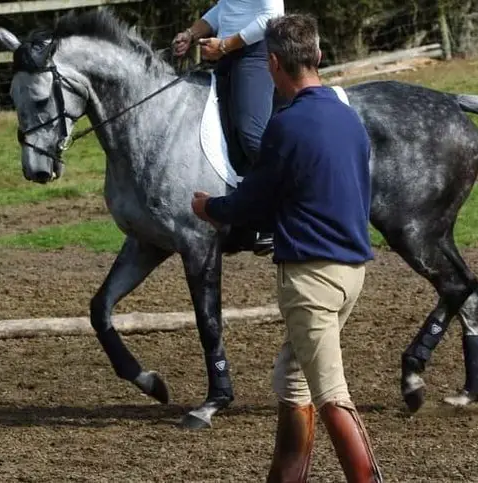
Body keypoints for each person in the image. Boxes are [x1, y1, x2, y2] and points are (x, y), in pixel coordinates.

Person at [191, 13, 383, 483]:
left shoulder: (286, 126)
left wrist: (210, 207)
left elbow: (253, 203)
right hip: (352, 272)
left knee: (332, 394)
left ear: (273, 63)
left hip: (311, 279)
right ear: (317, 56)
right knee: (293, 381)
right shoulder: (347, 117)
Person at [173, 0, 284, 256]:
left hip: (255, 54)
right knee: (225, 133)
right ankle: (245, 218)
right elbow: (226, 7)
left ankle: (282, 215)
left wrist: (224, 45)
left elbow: (272, 15)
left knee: (250, 133)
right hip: (229, 56)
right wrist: (191, 34)